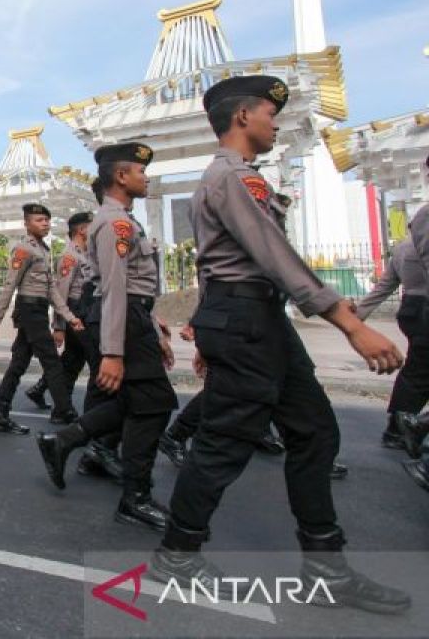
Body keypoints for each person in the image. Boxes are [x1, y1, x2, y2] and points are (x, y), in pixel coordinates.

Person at [149, 75, 408, 614]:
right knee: (224, 441)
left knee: (314, 431)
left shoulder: (239, 179)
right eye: (269, 113)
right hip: (247, 318)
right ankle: (177, 553)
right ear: (243, 116)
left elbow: (225, 264)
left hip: (255, 317)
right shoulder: (233, 178)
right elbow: (271, 254)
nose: (275, 122)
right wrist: (347, 321)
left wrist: (207, 325)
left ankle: (326, 567)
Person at [37, 144, 178, 531]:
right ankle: (135, 497)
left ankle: (64, 441)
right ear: (120, 177)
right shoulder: (113, 224)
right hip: (122, 319)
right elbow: (115, 289)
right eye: (139, 171)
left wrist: (154, 329)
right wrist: (113, 351)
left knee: (138, 400)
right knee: (154, 402)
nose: (145, 177)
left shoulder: (124, 221)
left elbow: (133, 288)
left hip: (132, 317)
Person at [0, 204, 83, 433]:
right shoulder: (23, 249)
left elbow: (51, 290)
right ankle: (66, 411)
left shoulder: (44, 250)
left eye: (47, 220)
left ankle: (0, 414)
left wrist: (69, 317)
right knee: (52, 362)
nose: (45, 224)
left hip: (38, 311)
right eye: (39, 220)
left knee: (18, 363)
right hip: (29, 311)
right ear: (27, 224)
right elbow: (10, 286)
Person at [355, 238, 428, 448]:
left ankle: (399, 428)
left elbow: (385, 286)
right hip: (424, 309)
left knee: (417, 373)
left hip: (411, 310)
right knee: (418, 373)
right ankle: (405, 429)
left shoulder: (404, 247)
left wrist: (357, 317)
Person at [52, 211, 100, 417]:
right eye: (92, 226)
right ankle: (91, 414)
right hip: (75, 311)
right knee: (95, 361)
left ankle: (61, 409)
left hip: (86, 310)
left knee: (73, 361)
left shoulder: (86, 254)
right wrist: (59, 326)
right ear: (82, 230)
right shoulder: (69, 257)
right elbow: (60, 294)